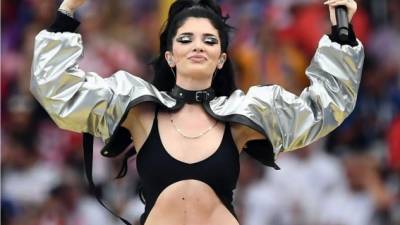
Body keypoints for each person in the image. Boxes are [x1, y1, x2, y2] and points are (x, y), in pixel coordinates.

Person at [30, 0, 364, 224]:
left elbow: (324, 107)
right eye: (186, 38)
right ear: (170, 55)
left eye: (209, 40)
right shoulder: (141, 110)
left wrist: (342, 29)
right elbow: (58, 92)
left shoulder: (242, 116)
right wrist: (68, 11)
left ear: (221, 58)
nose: (197, 46)